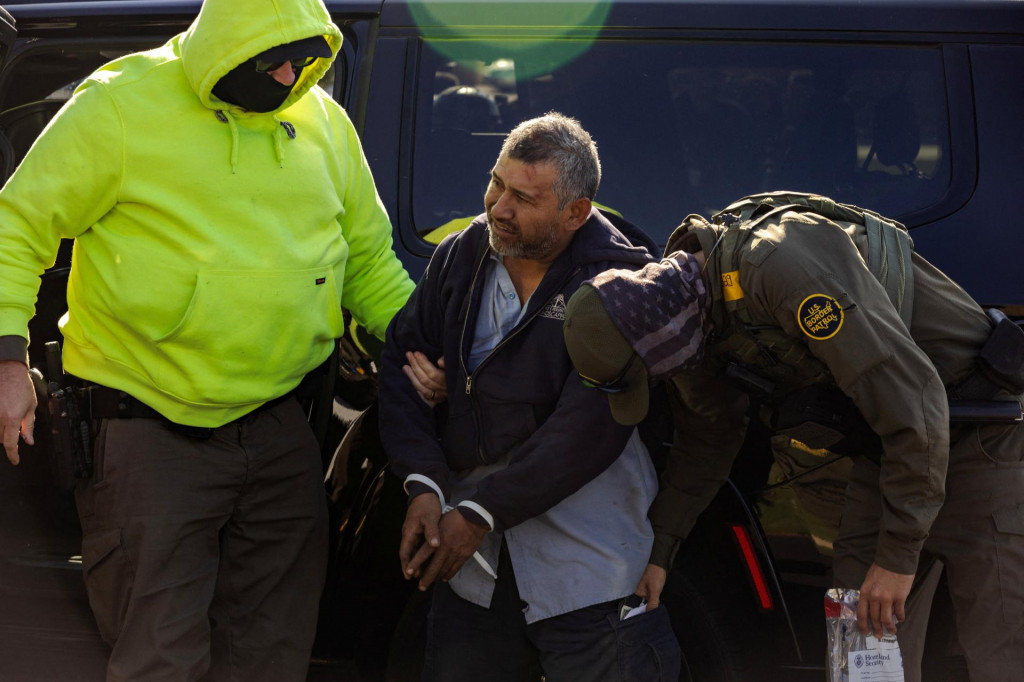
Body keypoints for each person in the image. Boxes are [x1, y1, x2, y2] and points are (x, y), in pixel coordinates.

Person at [0, 0, 414, 678]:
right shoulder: (118, 106)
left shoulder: (323, 124)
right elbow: (16, 229)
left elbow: (370, 265)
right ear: (227, 48)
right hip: (148, 426)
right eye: (274, 59)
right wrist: (7, 360)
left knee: (272, 653)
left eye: (305, 58)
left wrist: (431, 343)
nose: (290, 75)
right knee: (159, 655)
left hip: (282, 428)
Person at [562, 191, 1024, 682]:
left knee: (1004, 654)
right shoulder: (686, 325)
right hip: (889, 452)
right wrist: (660, 553)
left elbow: (913, 397)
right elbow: (708, 441)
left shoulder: (778, 266)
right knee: (861, 660)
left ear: (653, 341)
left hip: (980, 441)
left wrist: (896, 557)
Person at [379, 112, 681, 682]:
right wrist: (421, 481)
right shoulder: (463, 254)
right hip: (474, 565)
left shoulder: (620, 281)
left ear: (576, 213)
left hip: (587, 564)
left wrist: (478, 506)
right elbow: (401, 359)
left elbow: (585, 430)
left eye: (523, 197)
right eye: (496, 183)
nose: (498, 207)